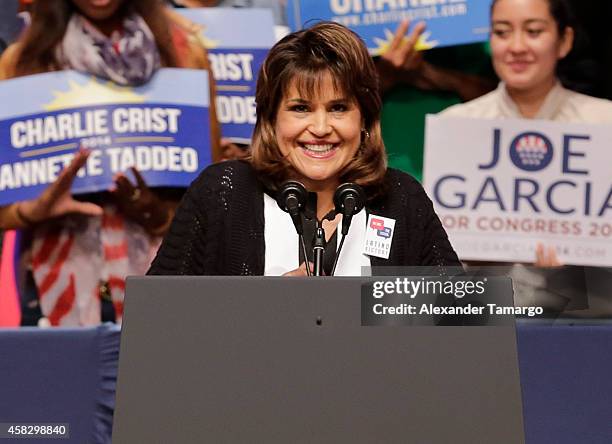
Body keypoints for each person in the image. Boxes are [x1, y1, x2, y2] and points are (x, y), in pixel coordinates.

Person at [148, 21, 461, 277]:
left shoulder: (400, 197)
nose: (321, 128)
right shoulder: (223, 192)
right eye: (300, 108)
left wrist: (364, 312)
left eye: (338, 108)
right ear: (271, 119)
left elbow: (466, 319)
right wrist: (267, 308)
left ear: (364, 119)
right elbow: (158, 322)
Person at [0, 0, 220, 325]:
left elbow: (212, 196)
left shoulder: (185, 53)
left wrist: (155, 213)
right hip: (53, 289)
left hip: (162, 284)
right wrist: (30, 211)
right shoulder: (19, 64)